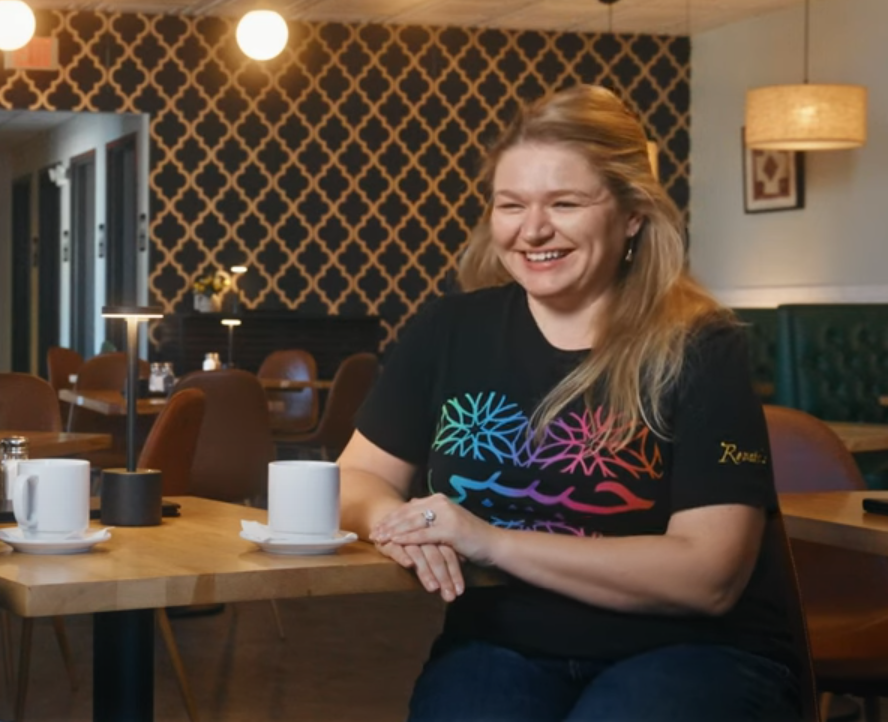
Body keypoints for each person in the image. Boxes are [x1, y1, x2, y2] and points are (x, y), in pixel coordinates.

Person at [340, 85, 799, 721]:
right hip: (503, 643)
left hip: (695, 652)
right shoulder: (450, 329)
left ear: (632, 212)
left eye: (565, 202)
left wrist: (487, 540)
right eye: (511, 204)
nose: (533, 230)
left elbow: (709, 575)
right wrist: (403, 523)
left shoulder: (700, 345)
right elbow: (357, 476)